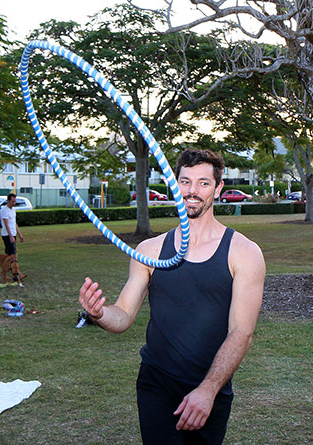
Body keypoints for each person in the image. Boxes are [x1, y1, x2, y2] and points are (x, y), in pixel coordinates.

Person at [79, 148, 266, 444]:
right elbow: (124, 316)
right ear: (174, 184)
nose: (193, 191)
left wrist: (207, 390)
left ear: (218, 188)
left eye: (203, 183)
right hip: (156, 384)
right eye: (185, 181)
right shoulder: (149, 251)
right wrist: (99, 313)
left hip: (210, 386)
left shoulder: (244, 252)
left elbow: (242, 333)